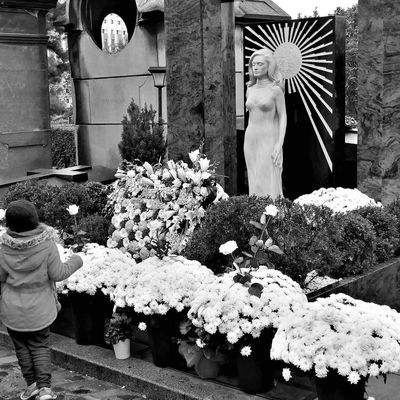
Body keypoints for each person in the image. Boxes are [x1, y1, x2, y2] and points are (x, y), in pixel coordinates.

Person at [0, 200, 83, 400]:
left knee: (22, 348)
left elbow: (1, 277)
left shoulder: (2, 247)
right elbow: (58, 273)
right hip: (40, 309)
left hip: (12, 309)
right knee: (40, 345)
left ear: (9, 224)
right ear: (35, 220)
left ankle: (32, 385)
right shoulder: (47, 244)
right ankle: (45, 388)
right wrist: (76, 260)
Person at [244, 48, 287, 198]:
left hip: (269, 137)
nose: (255, 67)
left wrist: (279, 143)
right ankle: (255, 213)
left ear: (269, 66)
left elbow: (283, 117)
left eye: (260, 64)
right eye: (253, 64)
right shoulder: (250, 89)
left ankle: (272, 215)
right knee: (254, 178)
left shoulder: (275, 90)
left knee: (268, 176)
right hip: (250, 138)